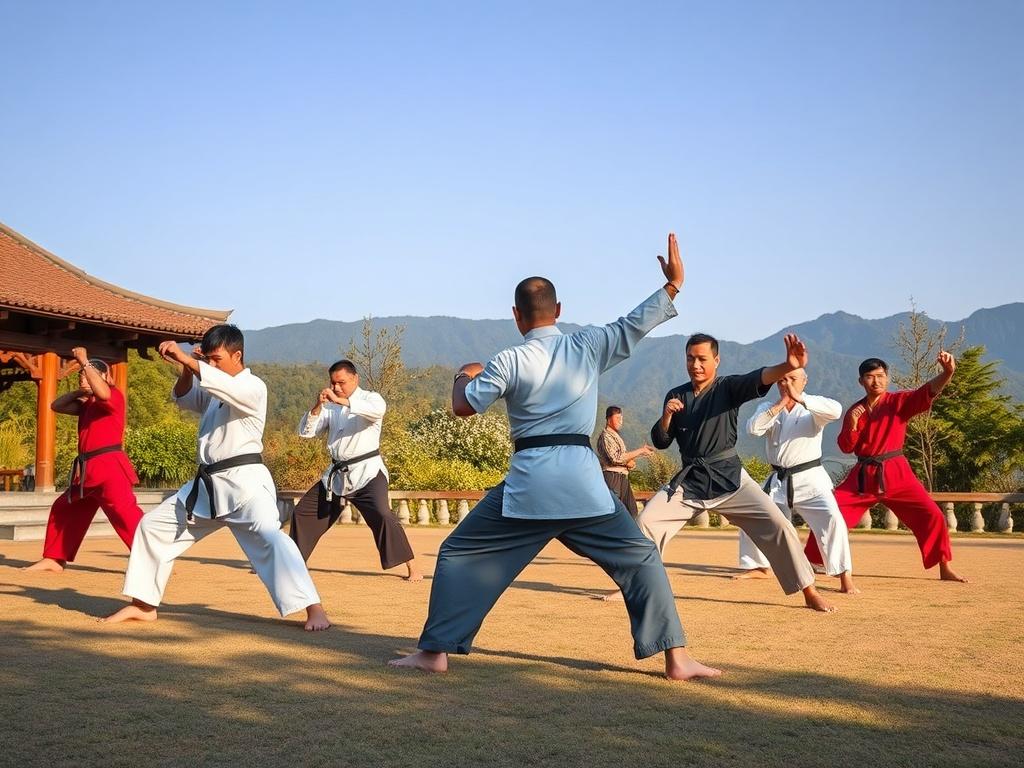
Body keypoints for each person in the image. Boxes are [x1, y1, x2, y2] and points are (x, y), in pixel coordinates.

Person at [390, 233, 721, 680]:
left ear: (516, 316)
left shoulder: (508, 360)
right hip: (584, 486)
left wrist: (462, 374)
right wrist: (672, 285)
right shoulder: (587, 344)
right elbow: (634, 324)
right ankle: (676, 659)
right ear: (559, 310)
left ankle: (434, 653)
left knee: (456, 553)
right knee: (642, 558)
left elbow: (463, 405)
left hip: (529, 488)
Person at [102, 324, 331, 630]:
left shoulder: (254, 388)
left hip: (246, 484)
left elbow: (220, 385)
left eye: (217, 358)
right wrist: (185, 367)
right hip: (207, 486)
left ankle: (314, 609)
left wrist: (187, 359)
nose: (211, 364)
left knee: (271, 538)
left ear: (238, 355)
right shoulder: (214, 393)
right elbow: (185, 397)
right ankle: (143, 605)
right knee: (152, 527)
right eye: (207, 359)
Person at [634, 333, 836, 612]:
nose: (696, 364)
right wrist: (667, 415)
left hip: (731, 481)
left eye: (702, 359)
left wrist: (788, 366)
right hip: (690, 483)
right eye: (690, 358)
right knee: (646, 522)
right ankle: (640, 590)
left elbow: (761, 377)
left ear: (716, 360)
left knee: (780, 526)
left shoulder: (727, 387)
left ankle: (809, 591)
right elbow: (661, 441)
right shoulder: (676, 395)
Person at [804, 354, 968, 582]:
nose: (876, 381)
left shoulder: (898, 402)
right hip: (862, 476)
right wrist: (852, 424)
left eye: (880, 376)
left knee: (933, 515)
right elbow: (845, 447)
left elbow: (926, 392)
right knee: (831, 512)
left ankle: (945, 567)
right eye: (870, 377)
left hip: (896, 472)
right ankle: (814, 561)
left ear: (887, 378)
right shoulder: (855, 410)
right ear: (861, 381)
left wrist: (947, 373)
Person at [290, 359, 422, 581]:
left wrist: (342, 401)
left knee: (382, 514)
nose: (336, 387)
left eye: (341, 382)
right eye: (333, 383)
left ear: (355, 379)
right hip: (336, 476)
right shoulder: (330, 407)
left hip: (368, 473)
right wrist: (317, 406)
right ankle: (291, 563)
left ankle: (413, 567)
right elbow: (306, 432)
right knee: (302, 513)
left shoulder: (371, 398)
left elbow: (377, 411)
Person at [737, 368, 859, 594]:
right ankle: (758, 567)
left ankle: (845, 576)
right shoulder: (768, 408)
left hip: (811, 480)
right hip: (778, 481)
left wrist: (800, 399)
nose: (787, 384)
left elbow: (836, 411)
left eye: (793, 379)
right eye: (782, 380)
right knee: (753, 516)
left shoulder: (812, 408)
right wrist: (780, 404)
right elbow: (753, 429)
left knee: (832, 520)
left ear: (805, 381)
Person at [24, 347, 144, 573]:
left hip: (110, 467)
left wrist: (85, 361)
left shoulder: (114, 395)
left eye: (88, 375)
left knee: (126, 514)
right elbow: (56, 406)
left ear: (106, 377)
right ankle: (54, 558)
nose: (84, 377)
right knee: (64, 508)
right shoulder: (87, 404)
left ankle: (153, 559)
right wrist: (79, 390)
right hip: (89, 469)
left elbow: (105, 394)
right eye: (81, 375)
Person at [595, 406, 653, 517]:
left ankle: (629, 534)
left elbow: (622, 458)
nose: (620, 421)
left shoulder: (616, 436)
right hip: (612, 477)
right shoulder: (605, 436)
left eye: (621, 419)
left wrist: (630, 461)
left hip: (622, 478)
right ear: (608, 419)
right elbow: (615, 458)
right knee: (613, 511)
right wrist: (640, 451)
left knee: (632, 511)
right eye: (617, 418)